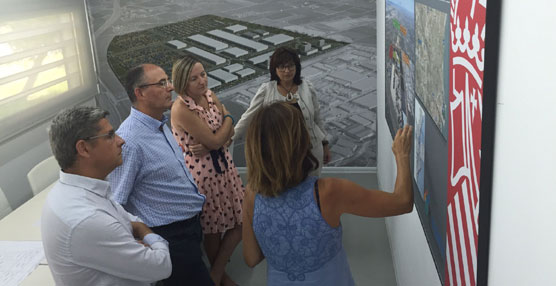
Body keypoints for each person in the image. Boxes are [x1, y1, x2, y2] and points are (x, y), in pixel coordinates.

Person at [241, 102, 413, 286]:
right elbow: (402, 202)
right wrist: (402, 156)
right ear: (300, 142)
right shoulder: (328, 192)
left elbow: (252, 258)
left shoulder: (252, 194)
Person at [108, 64, 213, 286]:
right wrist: (139, 241)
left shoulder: (160, 124)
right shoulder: (129, 142)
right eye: (162, 83)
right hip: (170, 238)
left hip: (189, 229)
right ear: (140, 93)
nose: (171, 87)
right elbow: (115, 202)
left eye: (168, 81)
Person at [42, 106, 171, 286]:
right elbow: (161, 266)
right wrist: (144, 232)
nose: (121, 141)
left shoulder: (81, 187)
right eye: (110, 136)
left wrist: (131, 230)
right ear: (84, 148)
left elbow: (124, 217)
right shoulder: (87, 218)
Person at [170, 55, 244, 286]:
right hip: (203, 175)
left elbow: (225, 137)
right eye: (194, 78)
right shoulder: (181, 108)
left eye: (203, 74)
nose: (202, 81)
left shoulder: (210, 96)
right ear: (183, 82)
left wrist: (226, 125)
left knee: (240, 222)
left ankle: (216, 275)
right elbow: (216, 140)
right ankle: (221, 278)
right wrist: (227, 123)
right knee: (213, 229)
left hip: (224, 167)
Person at [233, 46, 330, 176]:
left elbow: (317, 119)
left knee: (310, 189)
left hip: (312, 150)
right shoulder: (267, 90)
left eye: (290, 66)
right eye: (281, 67)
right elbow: (248, 117)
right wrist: (230, 138)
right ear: (274, 69)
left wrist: (325, 144)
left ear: (297, 67)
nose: (287, 71)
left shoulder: (307, 87)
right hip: (281, 153)